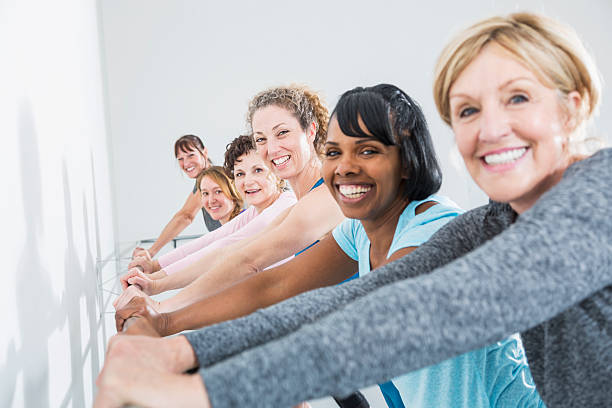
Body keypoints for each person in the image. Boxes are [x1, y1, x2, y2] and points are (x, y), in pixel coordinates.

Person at [96, 13, 610, 407]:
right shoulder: (493, 223)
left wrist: (201, 389)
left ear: (576, 103)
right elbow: (350, 298)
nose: (491, 128)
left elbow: (426, 314)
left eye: (518, 98)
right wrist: (179, 347)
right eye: (469, 110)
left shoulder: (598, 200)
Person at [115, 84, 543, 408]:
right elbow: (274, 284)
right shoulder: (361, 228)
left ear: (405, 154)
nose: (345, 167)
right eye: (336, 152)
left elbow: (348, 327)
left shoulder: (433, 228)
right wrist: (165, 321)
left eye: (368, 150)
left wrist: (182, 353)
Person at [114, 85, 345, 313]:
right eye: (261, 139)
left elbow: (245, 259)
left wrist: (162, 304)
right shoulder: (295, 206)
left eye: (282, 132)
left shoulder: (318, 198)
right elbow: (222, 246)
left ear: (311, 130)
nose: (272, 148)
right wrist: (155, 281)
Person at [119, 135, 297, 295]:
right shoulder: (255, 211)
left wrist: (156, 282)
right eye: (240, 174)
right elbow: (212, 239)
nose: (248, 181)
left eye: (258, 170)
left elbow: (222, 248)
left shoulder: (281, 207)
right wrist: (154, 266)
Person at [132, 135, 221, 260]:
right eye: (180, 158)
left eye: (191, 155)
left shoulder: (210, 178)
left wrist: (151, 251)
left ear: (204, 152)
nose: (186, 163)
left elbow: (186, 216)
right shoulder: (206, 179)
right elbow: (185, 214)